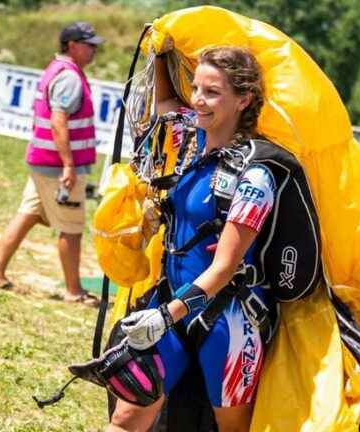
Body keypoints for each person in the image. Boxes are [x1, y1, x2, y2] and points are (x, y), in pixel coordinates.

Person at [105, 47, 276, 432]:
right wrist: (163, 50)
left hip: (229, 324)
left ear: (244, 99)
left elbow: (224, 267)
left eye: (212, 92)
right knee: (126, 418)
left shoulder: (256, 175)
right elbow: (165, 101)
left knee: (232, 429)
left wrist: (165, 315)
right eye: (196, 88)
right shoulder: (186, 137)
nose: (198, 99)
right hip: (168, 310)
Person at [0, 22, 104, 305]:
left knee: (29, 215)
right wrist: (69, 166)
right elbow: (58, 120)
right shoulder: (70, 77)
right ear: (72, 45)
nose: (94, 50)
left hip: (44, 162)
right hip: (58, 168)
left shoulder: (57, 69)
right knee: (71, 230)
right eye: (89, 44)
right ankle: (74, 291)